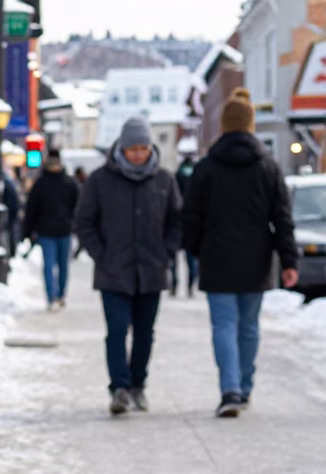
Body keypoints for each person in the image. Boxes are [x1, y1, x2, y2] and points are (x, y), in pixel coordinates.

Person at [182, 87, 299, 417]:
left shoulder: (206, 168)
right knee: (248, 326)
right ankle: (244, 387)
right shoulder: (268, 167)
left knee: (223, 326)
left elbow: (191, 216)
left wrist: (195, 249)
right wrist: (288, 259)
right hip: (256, 257)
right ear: (250, 125)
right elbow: (282, 218)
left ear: (223, 124)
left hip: (216, 256)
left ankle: (230, 389)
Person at [74, 117, 182, 415]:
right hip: (114, 271)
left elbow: (177, 221)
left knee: (145, 333)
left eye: (143, 148)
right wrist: (101, 254)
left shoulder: (164, 181)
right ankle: (118, 388)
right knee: (118, 330)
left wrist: (166, 253)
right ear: (122, 148)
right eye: (132, 149)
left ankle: (138, 385)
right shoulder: (100, 181)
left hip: (151, 270)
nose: (138, 154)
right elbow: (84, 222)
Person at [22, 149, 79, 310]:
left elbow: (31, 209)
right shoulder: (68, 182)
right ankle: (57, 295)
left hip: (50, 230)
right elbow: (78, 206)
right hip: (58, 229)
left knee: (52, 265)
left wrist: (27, 231)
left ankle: (54, 296)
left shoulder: (41, 183)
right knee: (60, 265)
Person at [172, 154, 199, 296]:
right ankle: (190, 286)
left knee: (174, 259)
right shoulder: (197, 177)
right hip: (190, 224)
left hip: (177, 221)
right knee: (191, 259)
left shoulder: (176, 176)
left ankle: (174, 285)